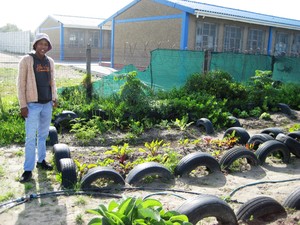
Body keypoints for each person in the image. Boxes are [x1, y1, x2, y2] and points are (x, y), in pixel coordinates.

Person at [17, 33, 58, 183]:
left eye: (46, 44)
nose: (43, 47)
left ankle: (41, 161)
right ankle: (28, 169)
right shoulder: (27, 60)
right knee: (30, 137)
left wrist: (54, 97)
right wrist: (23, 105)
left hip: (47, 104)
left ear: (48, 47)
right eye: (40, 44)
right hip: (32, 105)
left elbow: (52, 81)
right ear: (35, 45)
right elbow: (21, 84)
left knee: (42, 135)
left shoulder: (50, 61)